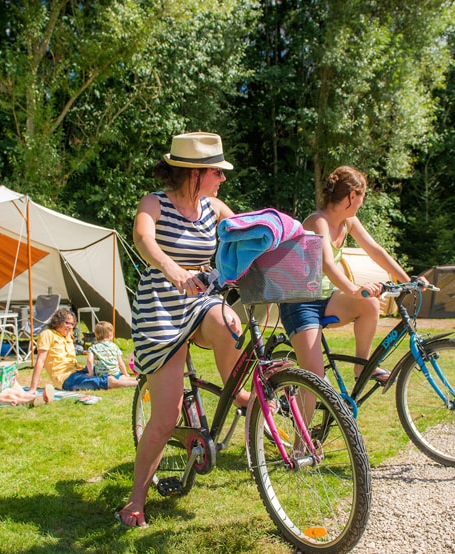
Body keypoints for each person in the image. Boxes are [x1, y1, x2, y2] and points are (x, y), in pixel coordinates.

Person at [117, 131, 250, 529]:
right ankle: (135, 499)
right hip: (160, 302)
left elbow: (246, 230)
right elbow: (144, 238)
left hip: (198, 298)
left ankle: (239, 395)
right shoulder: (153, 202)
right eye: (216, 171)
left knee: (229, 321)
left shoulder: (213, 206)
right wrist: (171, 268)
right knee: (165, 415)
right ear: (193, 172)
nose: (222, 178)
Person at [278, 165, 417, 385]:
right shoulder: (318, 221)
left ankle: (362, 367)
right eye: (362, 196)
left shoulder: (347, 221)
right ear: (352, 196)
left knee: (369, 304)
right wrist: (353, 289)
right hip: (300, 304)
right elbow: (327, 264)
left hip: (326, 298)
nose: (362, 202)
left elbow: (375, 250)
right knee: (315, 380)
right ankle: (304, 418)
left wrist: (409, 280)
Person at [27, 308, 136, 395]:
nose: (70, 327)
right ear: (57, 321)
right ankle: (138, 384)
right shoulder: (47, 334)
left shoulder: (68, 334)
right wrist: (33, 388)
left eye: (72, 324)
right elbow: (40, 361)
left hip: (78, 370)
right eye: (67, 323)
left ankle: (131, 379)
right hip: (66, 378)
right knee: (105, 380)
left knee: (108, 368)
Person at [86, 321, 138, 387]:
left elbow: (89, 361)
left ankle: (135, 382)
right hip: (116, 373)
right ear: (110, 335)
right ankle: (140, 381)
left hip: (103, 376)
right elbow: (120, 363)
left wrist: (91, 373)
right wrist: (125, 373)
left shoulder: (93, 347)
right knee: (123, 377)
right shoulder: (114, 347)